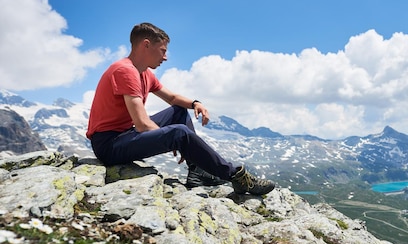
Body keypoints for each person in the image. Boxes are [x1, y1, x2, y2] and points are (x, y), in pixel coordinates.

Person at [86, 22, 275, 195]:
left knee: (178, 111)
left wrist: (195, 104)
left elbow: (172, 98)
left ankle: (197, 173)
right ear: (146, 45)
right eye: (162, 51)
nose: (165, 57)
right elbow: (142, 125)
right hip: (109, 146)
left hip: (124, 135)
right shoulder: (125, 71)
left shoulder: (144, 74)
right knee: (179, 133)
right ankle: (236, 176)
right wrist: (168, 136)